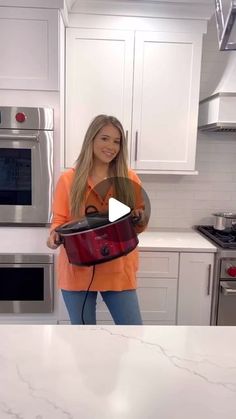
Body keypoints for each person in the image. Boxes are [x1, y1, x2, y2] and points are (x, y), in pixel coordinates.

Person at [47, 114, 148, 325]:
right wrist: (54, 236)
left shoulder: (129, 179)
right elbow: (59, 222)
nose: (111, 146)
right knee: (84, 341)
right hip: (78, 271)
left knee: (132, 333)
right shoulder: (68, 180)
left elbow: (138, 225)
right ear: (91, 140)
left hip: (118, 269)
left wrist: (139, 218)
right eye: (104, 138)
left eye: (117, 141)